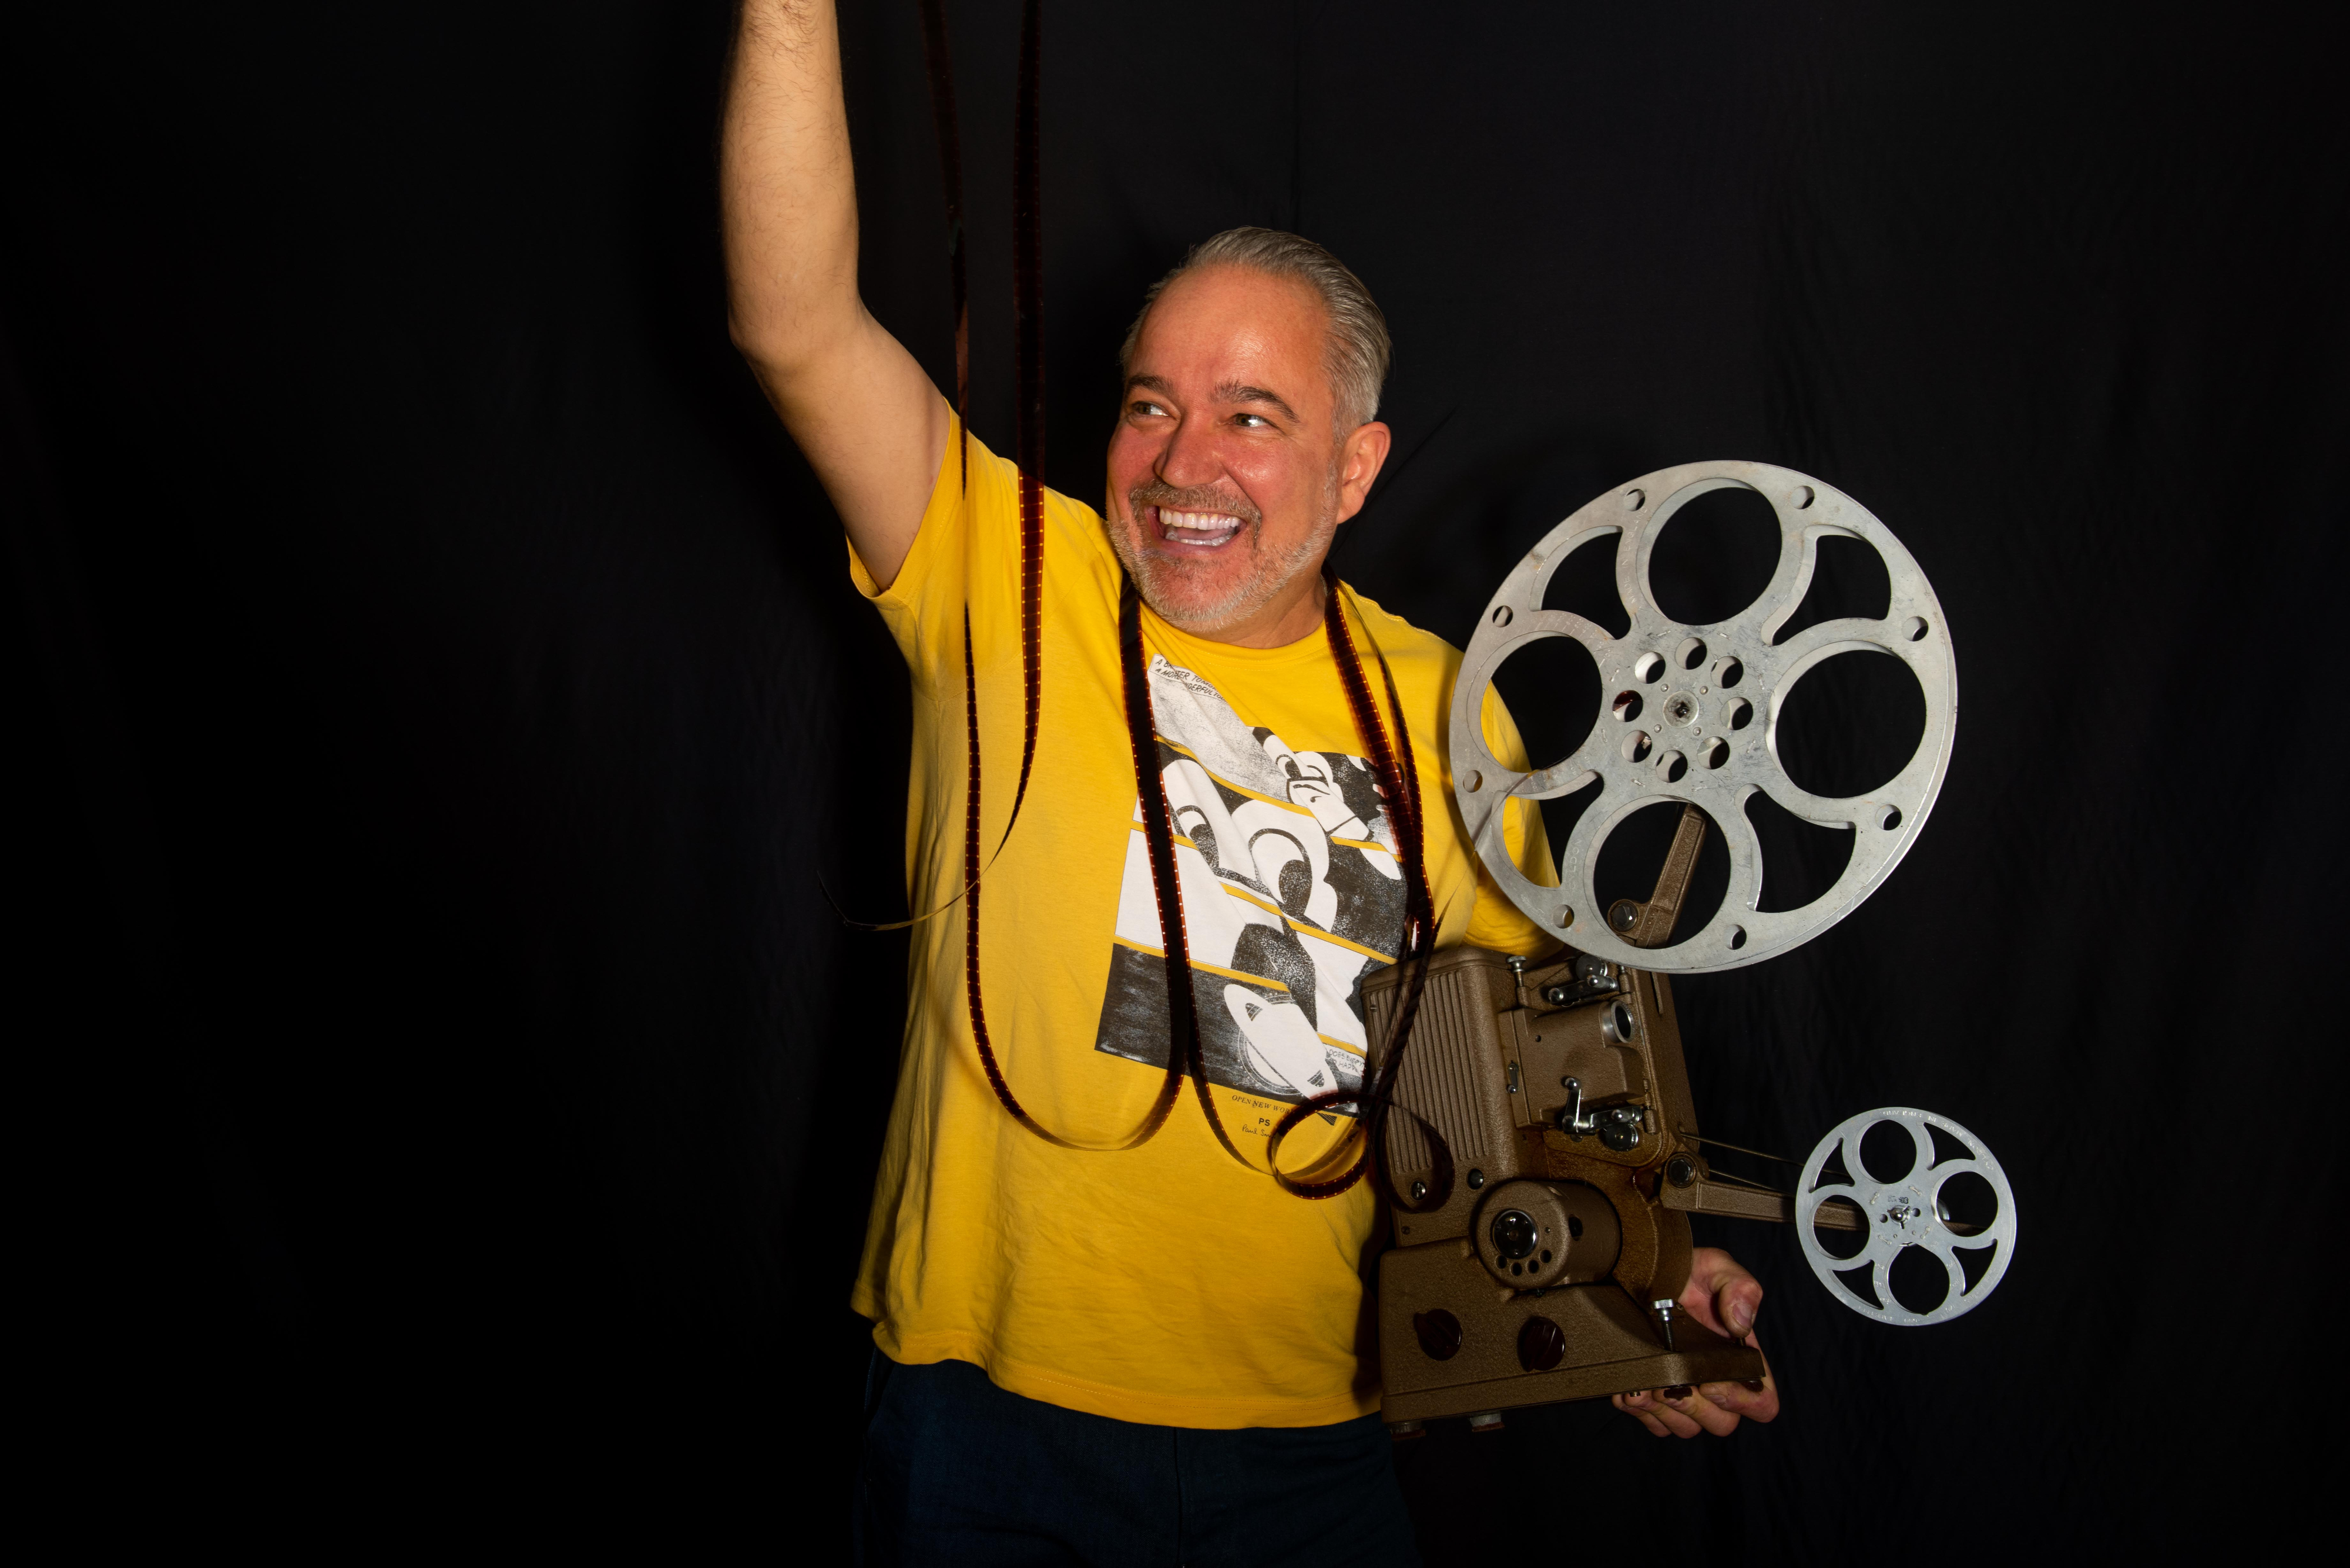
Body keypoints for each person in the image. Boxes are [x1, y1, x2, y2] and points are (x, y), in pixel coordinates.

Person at [720, 4, 1779, 1560]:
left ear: (1356, 468)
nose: (1180, 462)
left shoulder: (1449, 706)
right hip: (980, 1435)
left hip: (1310, 1460)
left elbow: (1525, 1091)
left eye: (1251, 415)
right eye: (1150, 402)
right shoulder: (1010, 573)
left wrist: (1647, 1273)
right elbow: (794, 325)